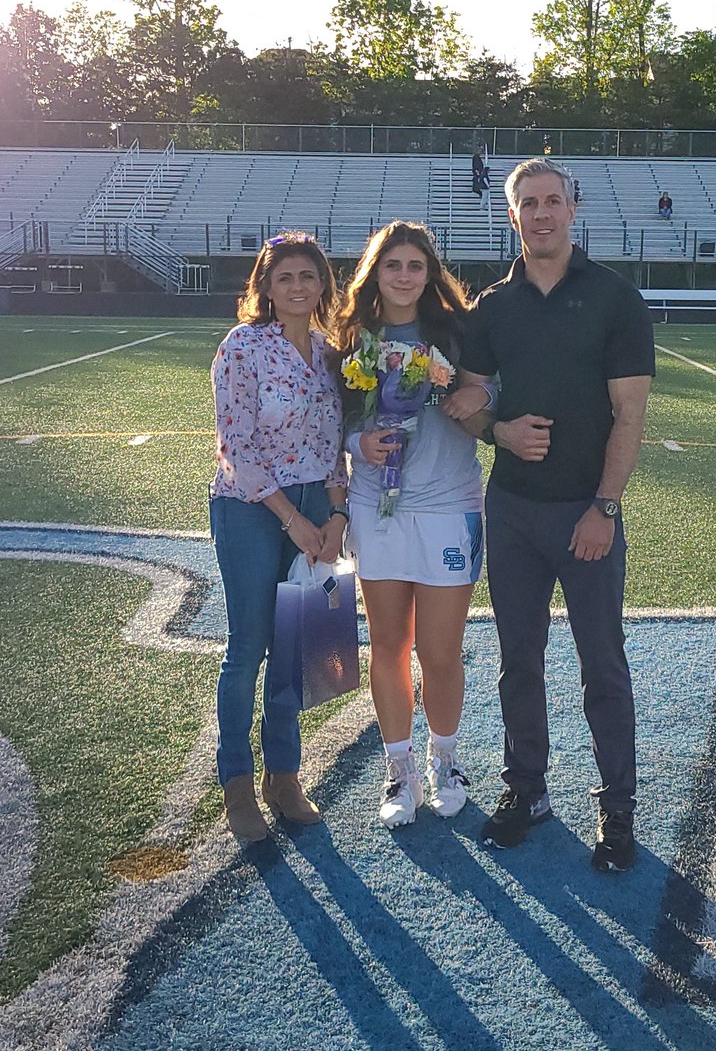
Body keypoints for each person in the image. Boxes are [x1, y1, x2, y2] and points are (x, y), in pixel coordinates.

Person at [458, 159, 655, 871]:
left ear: (573, 208)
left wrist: (605, 507)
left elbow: (629, 414)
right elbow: (468, 397)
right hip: (511, 510)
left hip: (586, 514)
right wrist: (498, 433)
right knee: (519, 661)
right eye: (527, 205)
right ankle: (528, 791)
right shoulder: (491, 308)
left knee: (602, 665)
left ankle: (618, 808)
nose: (541, 214)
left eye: (552, 201)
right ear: (511, 217)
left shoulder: (614, 298)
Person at [334, 221, 492, 829]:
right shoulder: (354, 337)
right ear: (375, 272)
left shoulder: (458, 331)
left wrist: (465, 390)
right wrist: (360, 440)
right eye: (392, 265)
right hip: (378, 509)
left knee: (441, 650)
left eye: (415, 266)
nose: (403, 276)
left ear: (430, 274)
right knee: (390, 647)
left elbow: (491, 393)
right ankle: (398, 769)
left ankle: (444, 762)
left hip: (449, 505)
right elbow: (340, 417)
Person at [210, 232, 349, 842]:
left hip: (318, 504)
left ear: (323, 286)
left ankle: (284, 775)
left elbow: (337, 441)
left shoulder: (330, 352)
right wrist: (291, 518)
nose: (298, 287)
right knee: (249, 648)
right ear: (265, 287)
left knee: (298, 646)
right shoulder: (242, 347)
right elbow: (235, 447)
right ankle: (237, 782)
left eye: (308, 277)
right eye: (285, 277)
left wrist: (336, 515)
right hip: (251, 508)